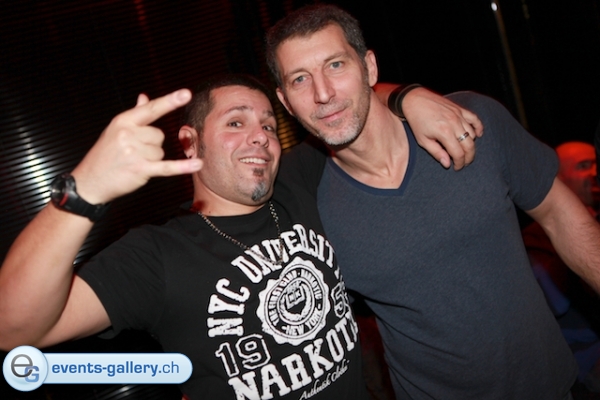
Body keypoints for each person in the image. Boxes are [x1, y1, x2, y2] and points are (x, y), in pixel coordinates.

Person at [0, 73, 479, 398]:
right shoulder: (157, 256)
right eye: (236, 122)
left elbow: (350, 108)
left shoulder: (298, 180)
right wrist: (85, 190)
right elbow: (12, 327)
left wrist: (409, 96)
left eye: (268, 124)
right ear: (190, 142)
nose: (261, 136)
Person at [265, 4, 600, 399]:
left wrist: (407, 95)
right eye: (300, 79)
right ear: (285, 101)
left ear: (369, 67)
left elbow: (561, 217)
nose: (323, 93)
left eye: (336, 65)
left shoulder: (468, 120)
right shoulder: (305, 202)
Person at [522, 141, 600, 393]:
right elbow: (556, 302)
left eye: (596, 163)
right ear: (559, 180)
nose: (595, 172)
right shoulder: (536, 239)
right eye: (584, 166)